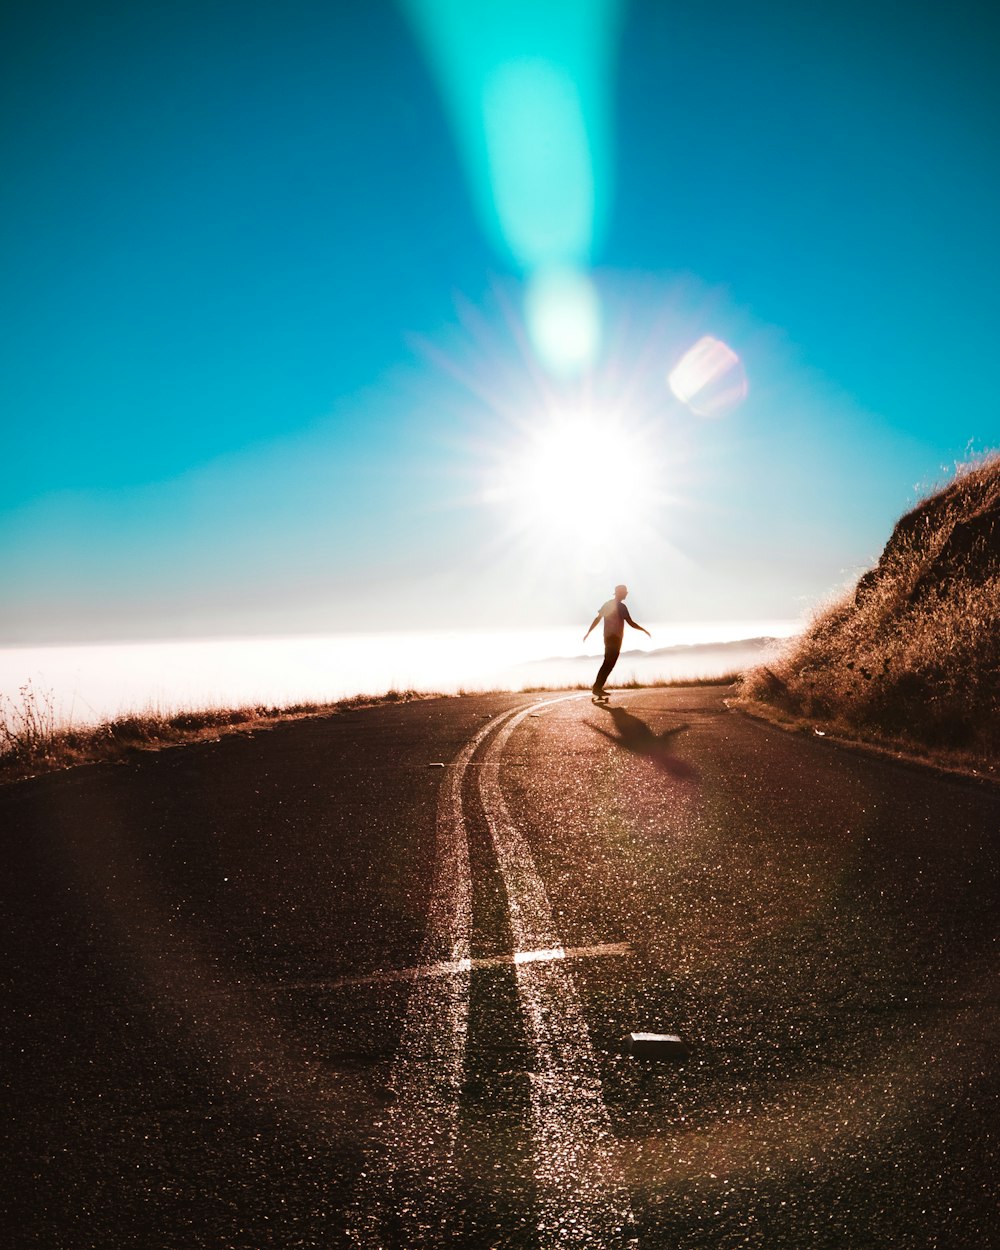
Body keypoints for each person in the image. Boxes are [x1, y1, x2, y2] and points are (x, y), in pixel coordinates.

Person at [583, 584, 650, 696]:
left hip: (608, 637)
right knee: (609, 663)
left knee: (608, 662)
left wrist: (589, 632)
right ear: (621, 593)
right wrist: (643, 630)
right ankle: (597, 688)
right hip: (615, 638)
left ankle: (598, 687)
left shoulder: (608, 604)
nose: (626, 594)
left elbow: (597, 619)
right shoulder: (621, 607)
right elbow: (631, 623)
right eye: (625, 592)